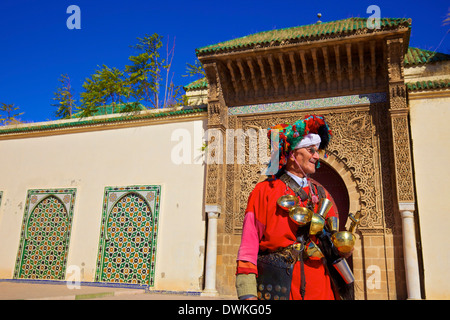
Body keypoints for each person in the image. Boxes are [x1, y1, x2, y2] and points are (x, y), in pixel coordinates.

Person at [235, 114, 347, 300]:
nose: (317, 156)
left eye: (317, 150)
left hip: (321, 287)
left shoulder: (322, 193)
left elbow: (335, 242)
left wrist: (343, 247)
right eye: (311, 150)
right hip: (279, 287)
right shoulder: (264, 191)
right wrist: (248, 294)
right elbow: (249, 244)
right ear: (294, 155)